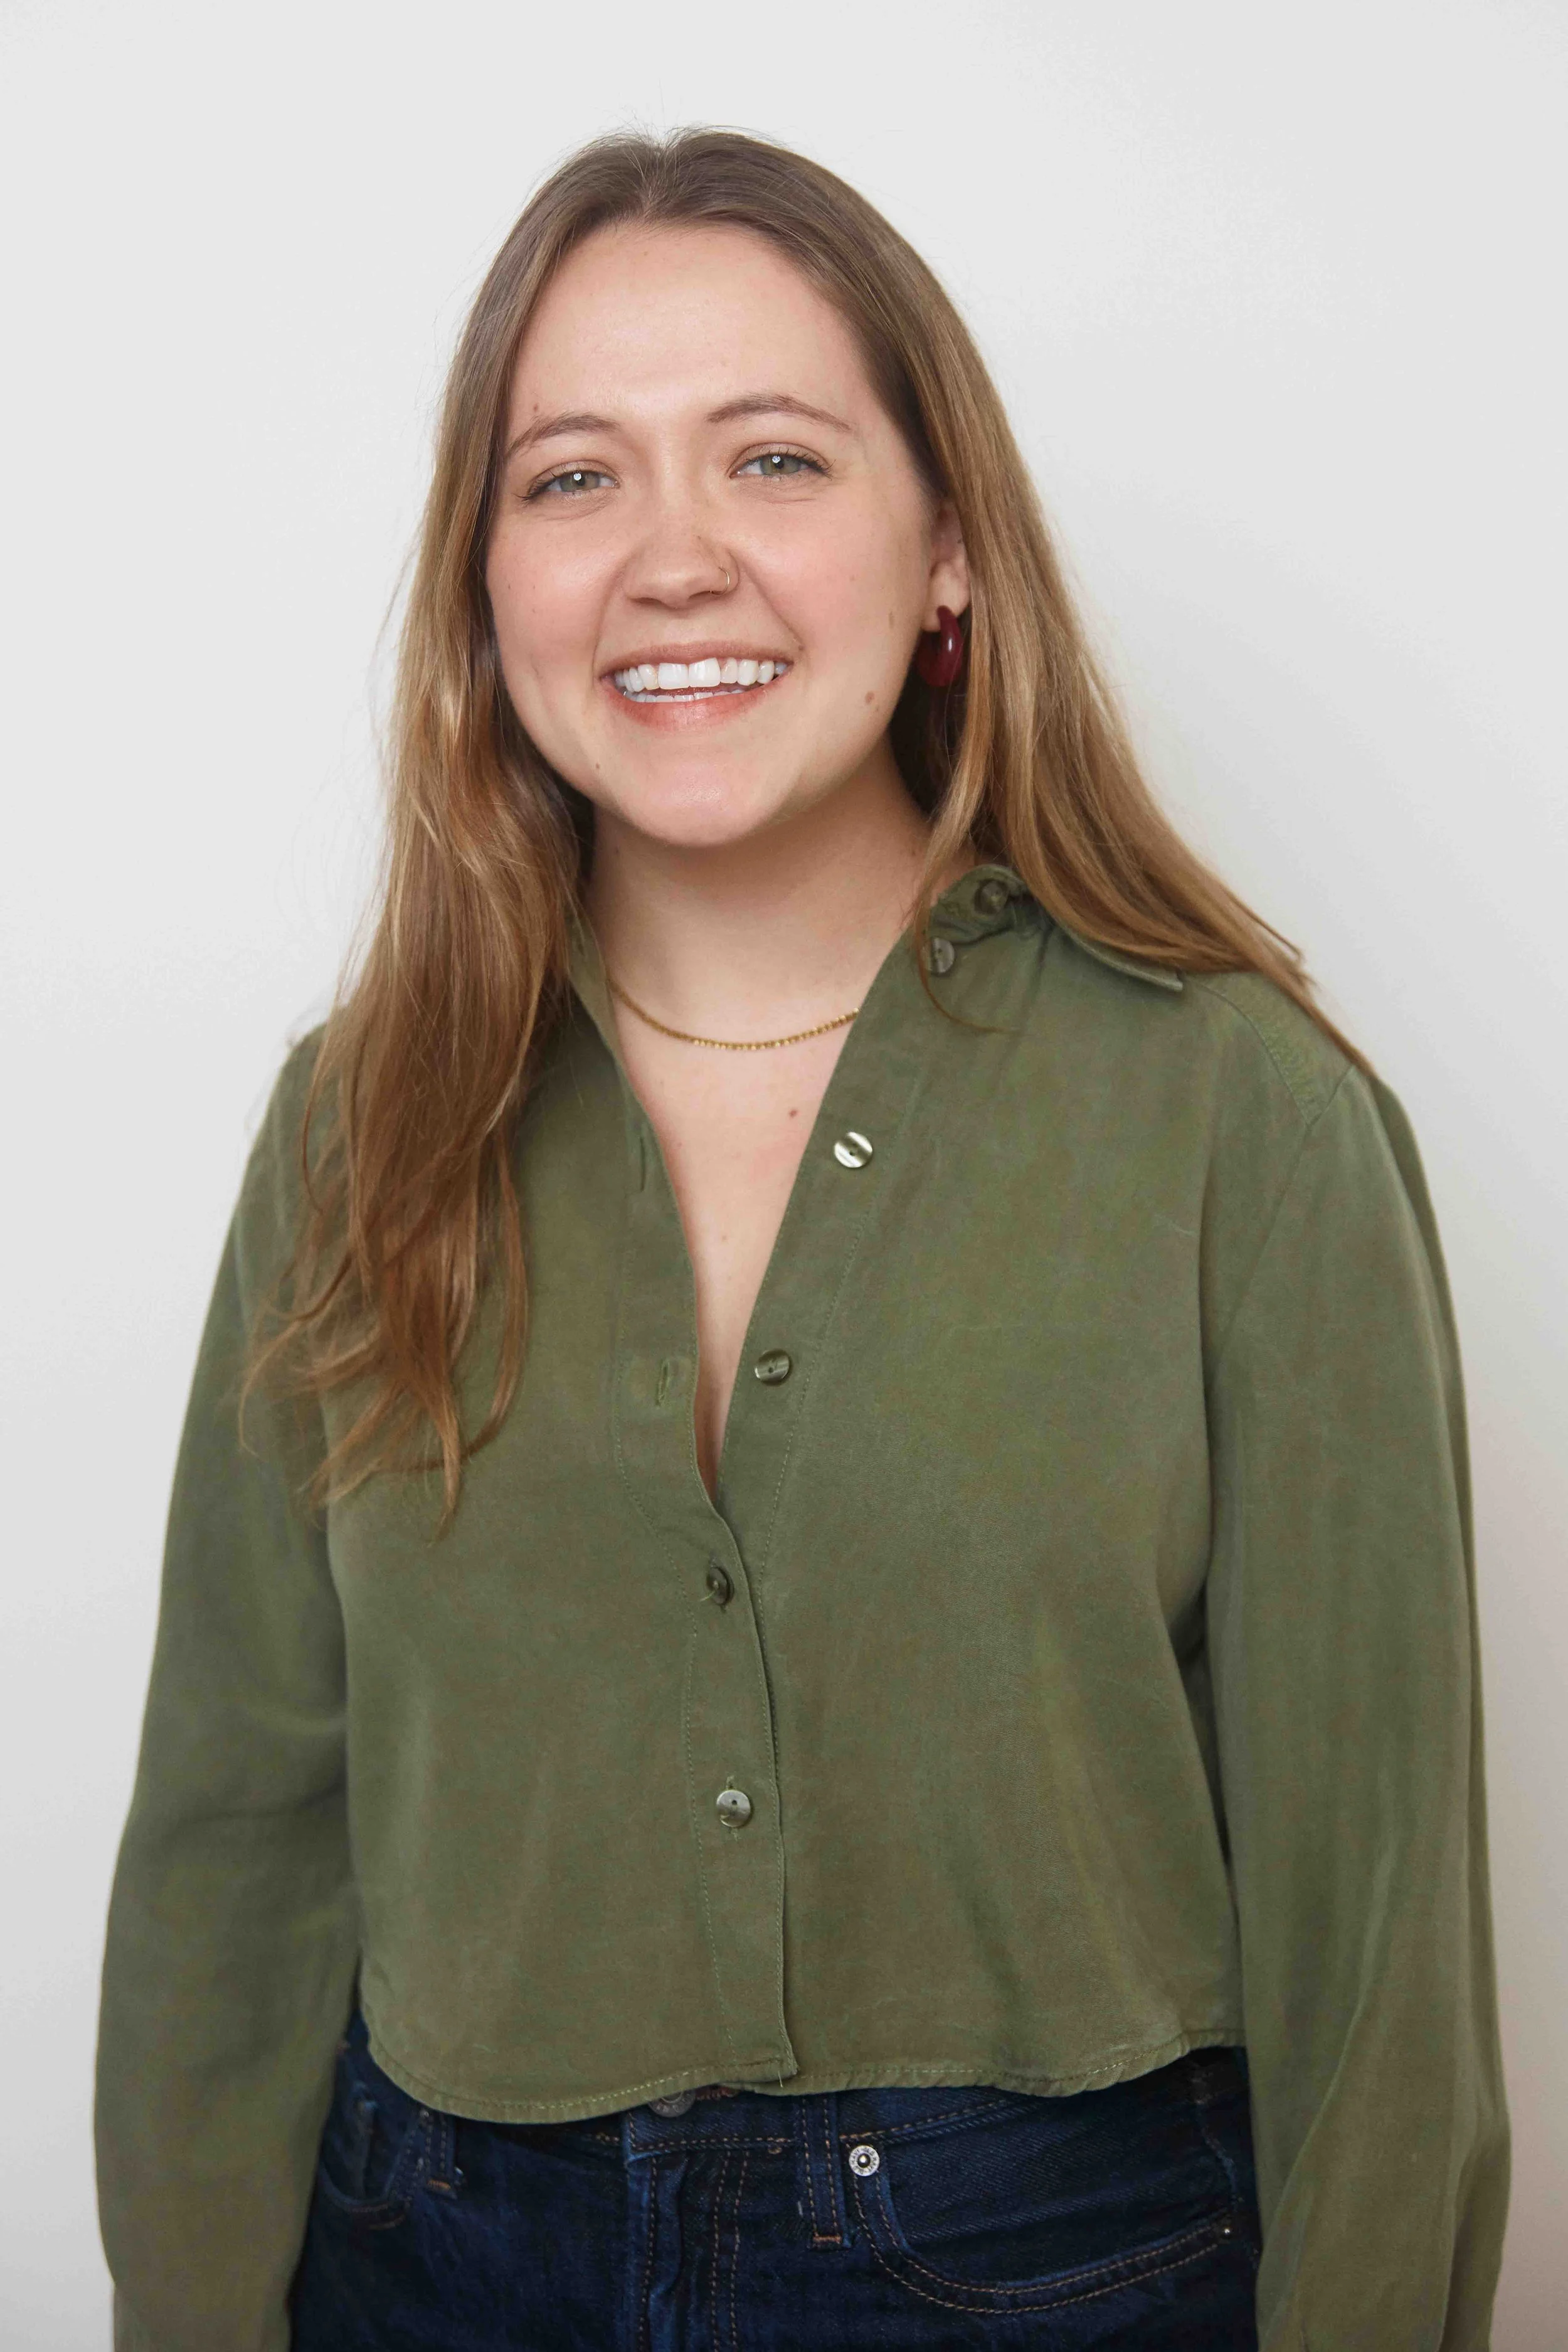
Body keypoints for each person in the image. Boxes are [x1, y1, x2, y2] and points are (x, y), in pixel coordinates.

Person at [95, 129, 1508, 2351]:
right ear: (487, 578)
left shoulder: (1241, 1117)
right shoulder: (357, 1122)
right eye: (573, 477)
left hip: (1066, 2268)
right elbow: (232, 1842)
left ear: (944, 550)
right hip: (428, 2266)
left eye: (772, 458)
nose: (673, 560)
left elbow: (1376, 1937)